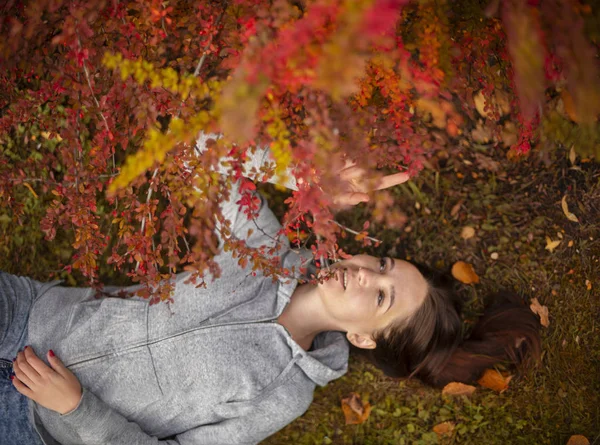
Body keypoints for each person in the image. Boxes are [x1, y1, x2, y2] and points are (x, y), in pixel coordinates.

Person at [0, 134, 541, 445]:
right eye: (381, 262)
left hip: (31, 423)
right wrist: (303, 179)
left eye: (381, 297)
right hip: (27, 315)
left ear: (365, 338)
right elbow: (203, 149)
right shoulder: (264, 246)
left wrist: (75, 410)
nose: (363, 273)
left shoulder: (283, 396)